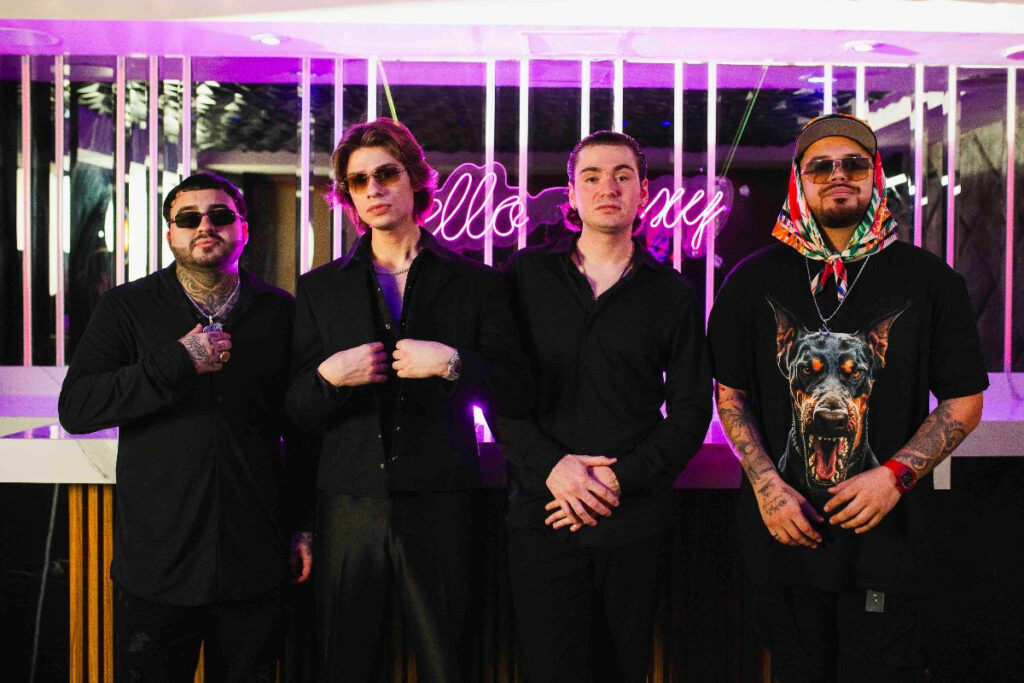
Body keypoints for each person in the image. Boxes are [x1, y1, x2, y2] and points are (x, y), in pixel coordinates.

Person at [708, 113, 988, 681]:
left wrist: (894, 477)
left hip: (888, 547)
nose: (839, 175)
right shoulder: (750, 282)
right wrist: (768, 488)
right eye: (821, 166)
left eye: (854, 164)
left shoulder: (930, 281)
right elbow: (730, 397)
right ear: (800, 179)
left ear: (875, 174)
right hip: (785, 541)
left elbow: (964, 402)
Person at [285, 118, 529, 682]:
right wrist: (328, 378)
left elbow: (518, 389)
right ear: (347, 196)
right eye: (358, 181)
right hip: (346, 507)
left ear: (415, 179)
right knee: (345, 668)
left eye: (386, 174)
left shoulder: (477, 282)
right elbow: (295, 412)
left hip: (444, 504)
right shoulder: (320, 288)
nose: (373, 189)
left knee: (450, 666)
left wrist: (454, 364)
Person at [58, 172, 306, 682]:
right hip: (158, 562)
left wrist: (305, 524)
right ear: (170, 233)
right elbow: (78, 407)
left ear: (243, 228)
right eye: (189, 218)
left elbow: (302, 429)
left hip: (254, 559)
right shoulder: (127, 307)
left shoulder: (279, 311)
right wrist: (176, 361)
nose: (204, 226)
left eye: (220, 215)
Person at [496, 130, 712, 682]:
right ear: (571, 194)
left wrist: (617, 481)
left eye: (622, 175)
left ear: (644, 192)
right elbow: (497, 391)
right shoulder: (524, 276)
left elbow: (691, 411)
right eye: (591, 177)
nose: (607, 188)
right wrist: (554, 469)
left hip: (633, 521)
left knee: (623, 671)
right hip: (543, 515)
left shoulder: (673, 293)